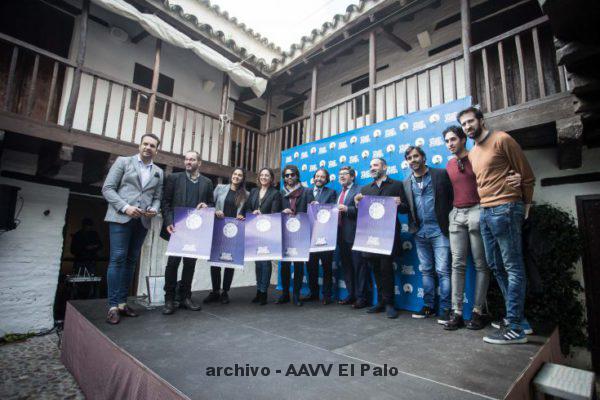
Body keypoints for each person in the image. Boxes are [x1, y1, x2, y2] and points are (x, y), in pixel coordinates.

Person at [458, 106, 535, 345]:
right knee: (494, 265)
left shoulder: (502, 139)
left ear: (481, 120)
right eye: (464, 124)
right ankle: (518, 319)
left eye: (471, 121)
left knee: (513, 266)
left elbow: (527, 175)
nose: (468, 127)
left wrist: (526, 206)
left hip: (507, 208)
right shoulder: (472, 152)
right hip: (486, 211)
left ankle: (514, 328)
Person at [441, 126, 523, 331]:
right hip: (457, 214)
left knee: (481, 264)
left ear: (462, 139)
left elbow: (497, 176)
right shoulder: (449, 164)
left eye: (453, 139)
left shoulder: (477, 157)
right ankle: (457, 312)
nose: (450, 144)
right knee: (457, 264)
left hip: (479, 211)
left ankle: (478, 312)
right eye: (446, 141)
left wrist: (518, 179)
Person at [102, 133, 164, 324]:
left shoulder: (159, 172)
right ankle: (112, 306)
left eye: (152, 145)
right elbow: (108, 188)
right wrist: (125, 207)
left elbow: (157, 197)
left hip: (143, 221)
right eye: (145, 144)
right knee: (118, 258)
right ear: (140, 145)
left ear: (156, 150)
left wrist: (154, 208)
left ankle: (122, 303)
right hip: (121, 218)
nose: (148, 147)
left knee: (131, 261)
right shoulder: (123, 162)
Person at [402, 146, 454, 323]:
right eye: (409, 158)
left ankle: (447, 309)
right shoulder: (406, 182)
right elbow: (407, 207)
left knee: (443, 271)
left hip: (440, 231)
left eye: (416, 156)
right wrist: (394, 204)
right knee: (426, 271)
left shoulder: (439, 174)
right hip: (420, 232)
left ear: (423, 157)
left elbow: (452, 198)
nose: (413, 160)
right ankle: (429, 306)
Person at [161, 150, 214, 315]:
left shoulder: (207, 182)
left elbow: (211, 203)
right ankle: (169, 299)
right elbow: (165, 202)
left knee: (190, 264)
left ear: (199, 163)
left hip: (195, 232)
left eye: (192, 159)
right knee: (172, 264)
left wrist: (207, 206)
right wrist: (169, 222)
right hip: (177, 229)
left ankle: (185, 297)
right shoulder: (174, 178)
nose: (188, 161)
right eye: (187, 159)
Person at [354, 158, 409, 319]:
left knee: (386, 269)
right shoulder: (365, 189)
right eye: (370, 166)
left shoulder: (396, 185)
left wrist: (400, 204)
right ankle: (380, 302)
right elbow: (362, 214)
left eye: (375, 165)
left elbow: (406, 209)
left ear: (385, 167)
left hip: (388, 236)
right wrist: (357, 203)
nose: (372, 168)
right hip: (371, 236)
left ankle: (390, 303)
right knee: (376, 268)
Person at [203, 168, 248, 305]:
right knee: (215, 261)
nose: (236, 176)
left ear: (242, 178)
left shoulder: (246, 194)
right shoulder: (220, 188)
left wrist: (243, 216)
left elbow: (247, 211)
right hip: (217, 228)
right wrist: (215, 211)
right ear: (231, 176)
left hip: (234, 231)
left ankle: (225, 292)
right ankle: (215, 291)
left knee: (230, 262)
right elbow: (210, 203)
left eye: (239, 175)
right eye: (235, 174)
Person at [244, 167, 282, 305]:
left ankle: (264, 292)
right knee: (257, 262)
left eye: (267, 175)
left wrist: (263, 216)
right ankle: (258, 291)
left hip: (268, 231)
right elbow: (247, 208)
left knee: (265, 262)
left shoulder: (276, 193)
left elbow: (275, 212)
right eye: (262, 175)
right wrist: (252, 212)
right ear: (259, 177)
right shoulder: (254, 191)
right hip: (254, 230)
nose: (264, 177)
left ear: (271, 178)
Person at [279, 164, 314, 306]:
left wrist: (314, 205)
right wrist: (282, 212)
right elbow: (276, 211)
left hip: (301, 233)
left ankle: (296, 295)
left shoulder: (306, 191)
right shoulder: (281, 193)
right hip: (285, 233)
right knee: (285, 265)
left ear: (297, 176)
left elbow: (311, 211)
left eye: (292, 175)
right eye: (286, 175)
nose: (289, 177)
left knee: (299, 265)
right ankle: (285, 294)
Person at [335, 166, 368, 309]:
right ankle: (351, 294)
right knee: (347, 267)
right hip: (340, 236)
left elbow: (364, 210)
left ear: (353, 176)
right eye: (340, 174)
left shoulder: (359, 190)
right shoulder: (338, 193)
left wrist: (347, 209)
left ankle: (361, 298)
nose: (341, 176)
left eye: (345, 174)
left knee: (359, 267)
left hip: (355, 235)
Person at [305, 168, 337, 304]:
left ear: (326, 179)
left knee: (326, 267)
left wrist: (321, 206)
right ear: (314, 178)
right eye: (317, 176)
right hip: (309, 235)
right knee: (311, 266)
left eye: (322, 177)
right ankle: (313, 293)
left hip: (325, 236)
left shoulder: (331, 192)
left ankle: (327, 295)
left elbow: (334, 211)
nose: (319, 178)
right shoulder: (306, 192)